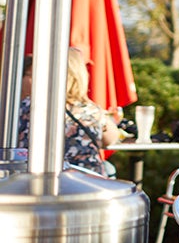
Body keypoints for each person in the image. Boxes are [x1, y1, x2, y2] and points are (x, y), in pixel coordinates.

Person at [17, 47, 122, 176]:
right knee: (109, 169)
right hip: (89, 183)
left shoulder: (26, 107)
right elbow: (111, 139)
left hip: (39, 181)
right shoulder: (92, 110)